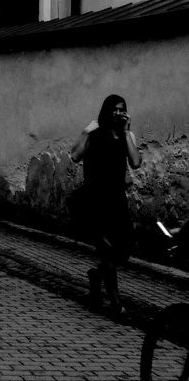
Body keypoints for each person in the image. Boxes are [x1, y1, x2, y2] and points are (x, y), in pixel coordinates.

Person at [70, 94, 141, 316]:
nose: (119, 113)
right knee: (108, 251)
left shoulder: (126, 136)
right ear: (107, 110)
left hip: (117, 200)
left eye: (122, 109)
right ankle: (115, 301)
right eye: (115, 109)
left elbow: (136, 162)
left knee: (126, 248)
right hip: (95, 200)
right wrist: (85, 131)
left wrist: (128, 132)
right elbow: (74, 156)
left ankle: (97, 276)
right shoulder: (95, 133)